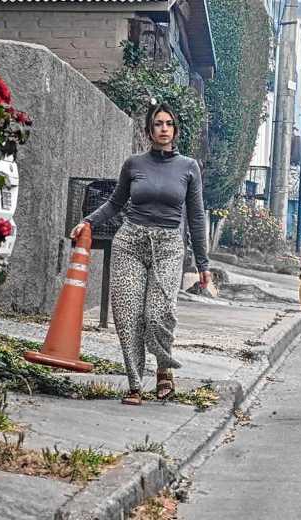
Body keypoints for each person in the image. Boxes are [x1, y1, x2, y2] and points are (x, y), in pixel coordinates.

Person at [72, 101, 211, 406]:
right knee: (128, 315)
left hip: (168, 246)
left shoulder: (188, 167)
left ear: (175, 130)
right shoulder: (134, 164)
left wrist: (203, 262)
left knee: (158, 313)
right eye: (158, 123)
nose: (164, 129)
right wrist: (88, 222)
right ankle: (135, 384)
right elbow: (115, 203)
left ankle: (163, 368)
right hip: (130, 242)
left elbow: (196, 216)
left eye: (169, 124)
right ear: (150, 130)